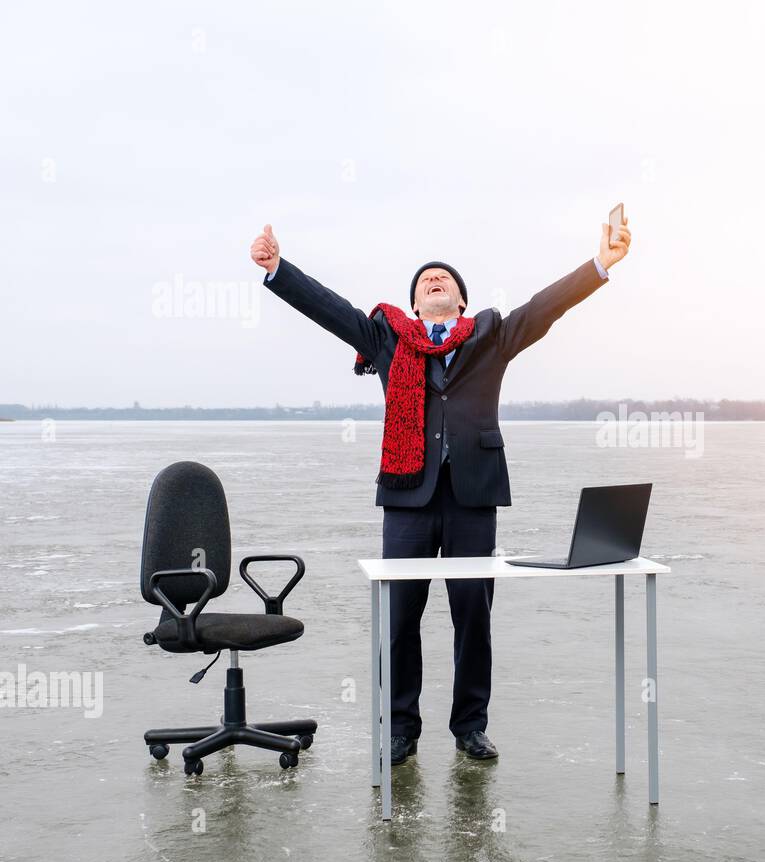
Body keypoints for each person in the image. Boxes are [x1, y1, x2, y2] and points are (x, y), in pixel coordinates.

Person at [249, 212, 632, 762]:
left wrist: (600, 265)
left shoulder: (490, 336)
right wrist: (278, 269)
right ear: (414, 304)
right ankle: (402, 728)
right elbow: (330, 311)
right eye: (426, 277)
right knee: (400, 616)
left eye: (444, 278)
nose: (435, 279)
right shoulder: (386, 337)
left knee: (472, 617)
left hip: (473, 497)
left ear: (459, 302)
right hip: (407, 498)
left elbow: (546, 308)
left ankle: (469, 726)